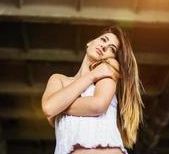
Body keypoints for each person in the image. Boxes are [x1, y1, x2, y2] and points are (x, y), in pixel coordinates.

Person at [41, 25, 145, 154]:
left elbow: (98, 105)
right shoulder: (58, 79)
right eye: (103, 40)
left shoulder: (109, 68)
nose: (104, 47)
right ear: (89, 42)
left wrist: (59, 106)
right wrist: (92, 75)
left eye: (112, 49)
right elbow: (49, 108)